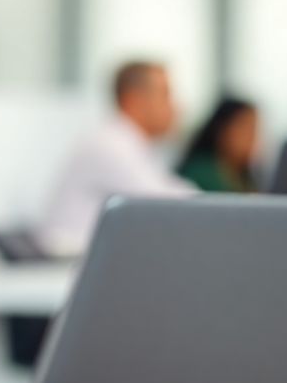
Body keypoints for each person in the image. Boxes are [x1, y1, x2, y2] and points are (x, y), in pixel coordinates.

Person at [35, 60, 196, 257]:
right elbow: (163, 204)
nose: (177, 107)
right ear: (133, 100)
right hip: (68, 262)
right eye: (165, 95)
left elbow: (171, 191)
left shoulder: (131, 144)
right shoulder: (109, 145)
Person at [175, 96, 261, 193]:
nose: (252, 138)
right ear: (222, 129)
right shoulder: (201, 174)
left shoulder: (245, 178)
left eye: (255, 131)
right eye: (246, 130)